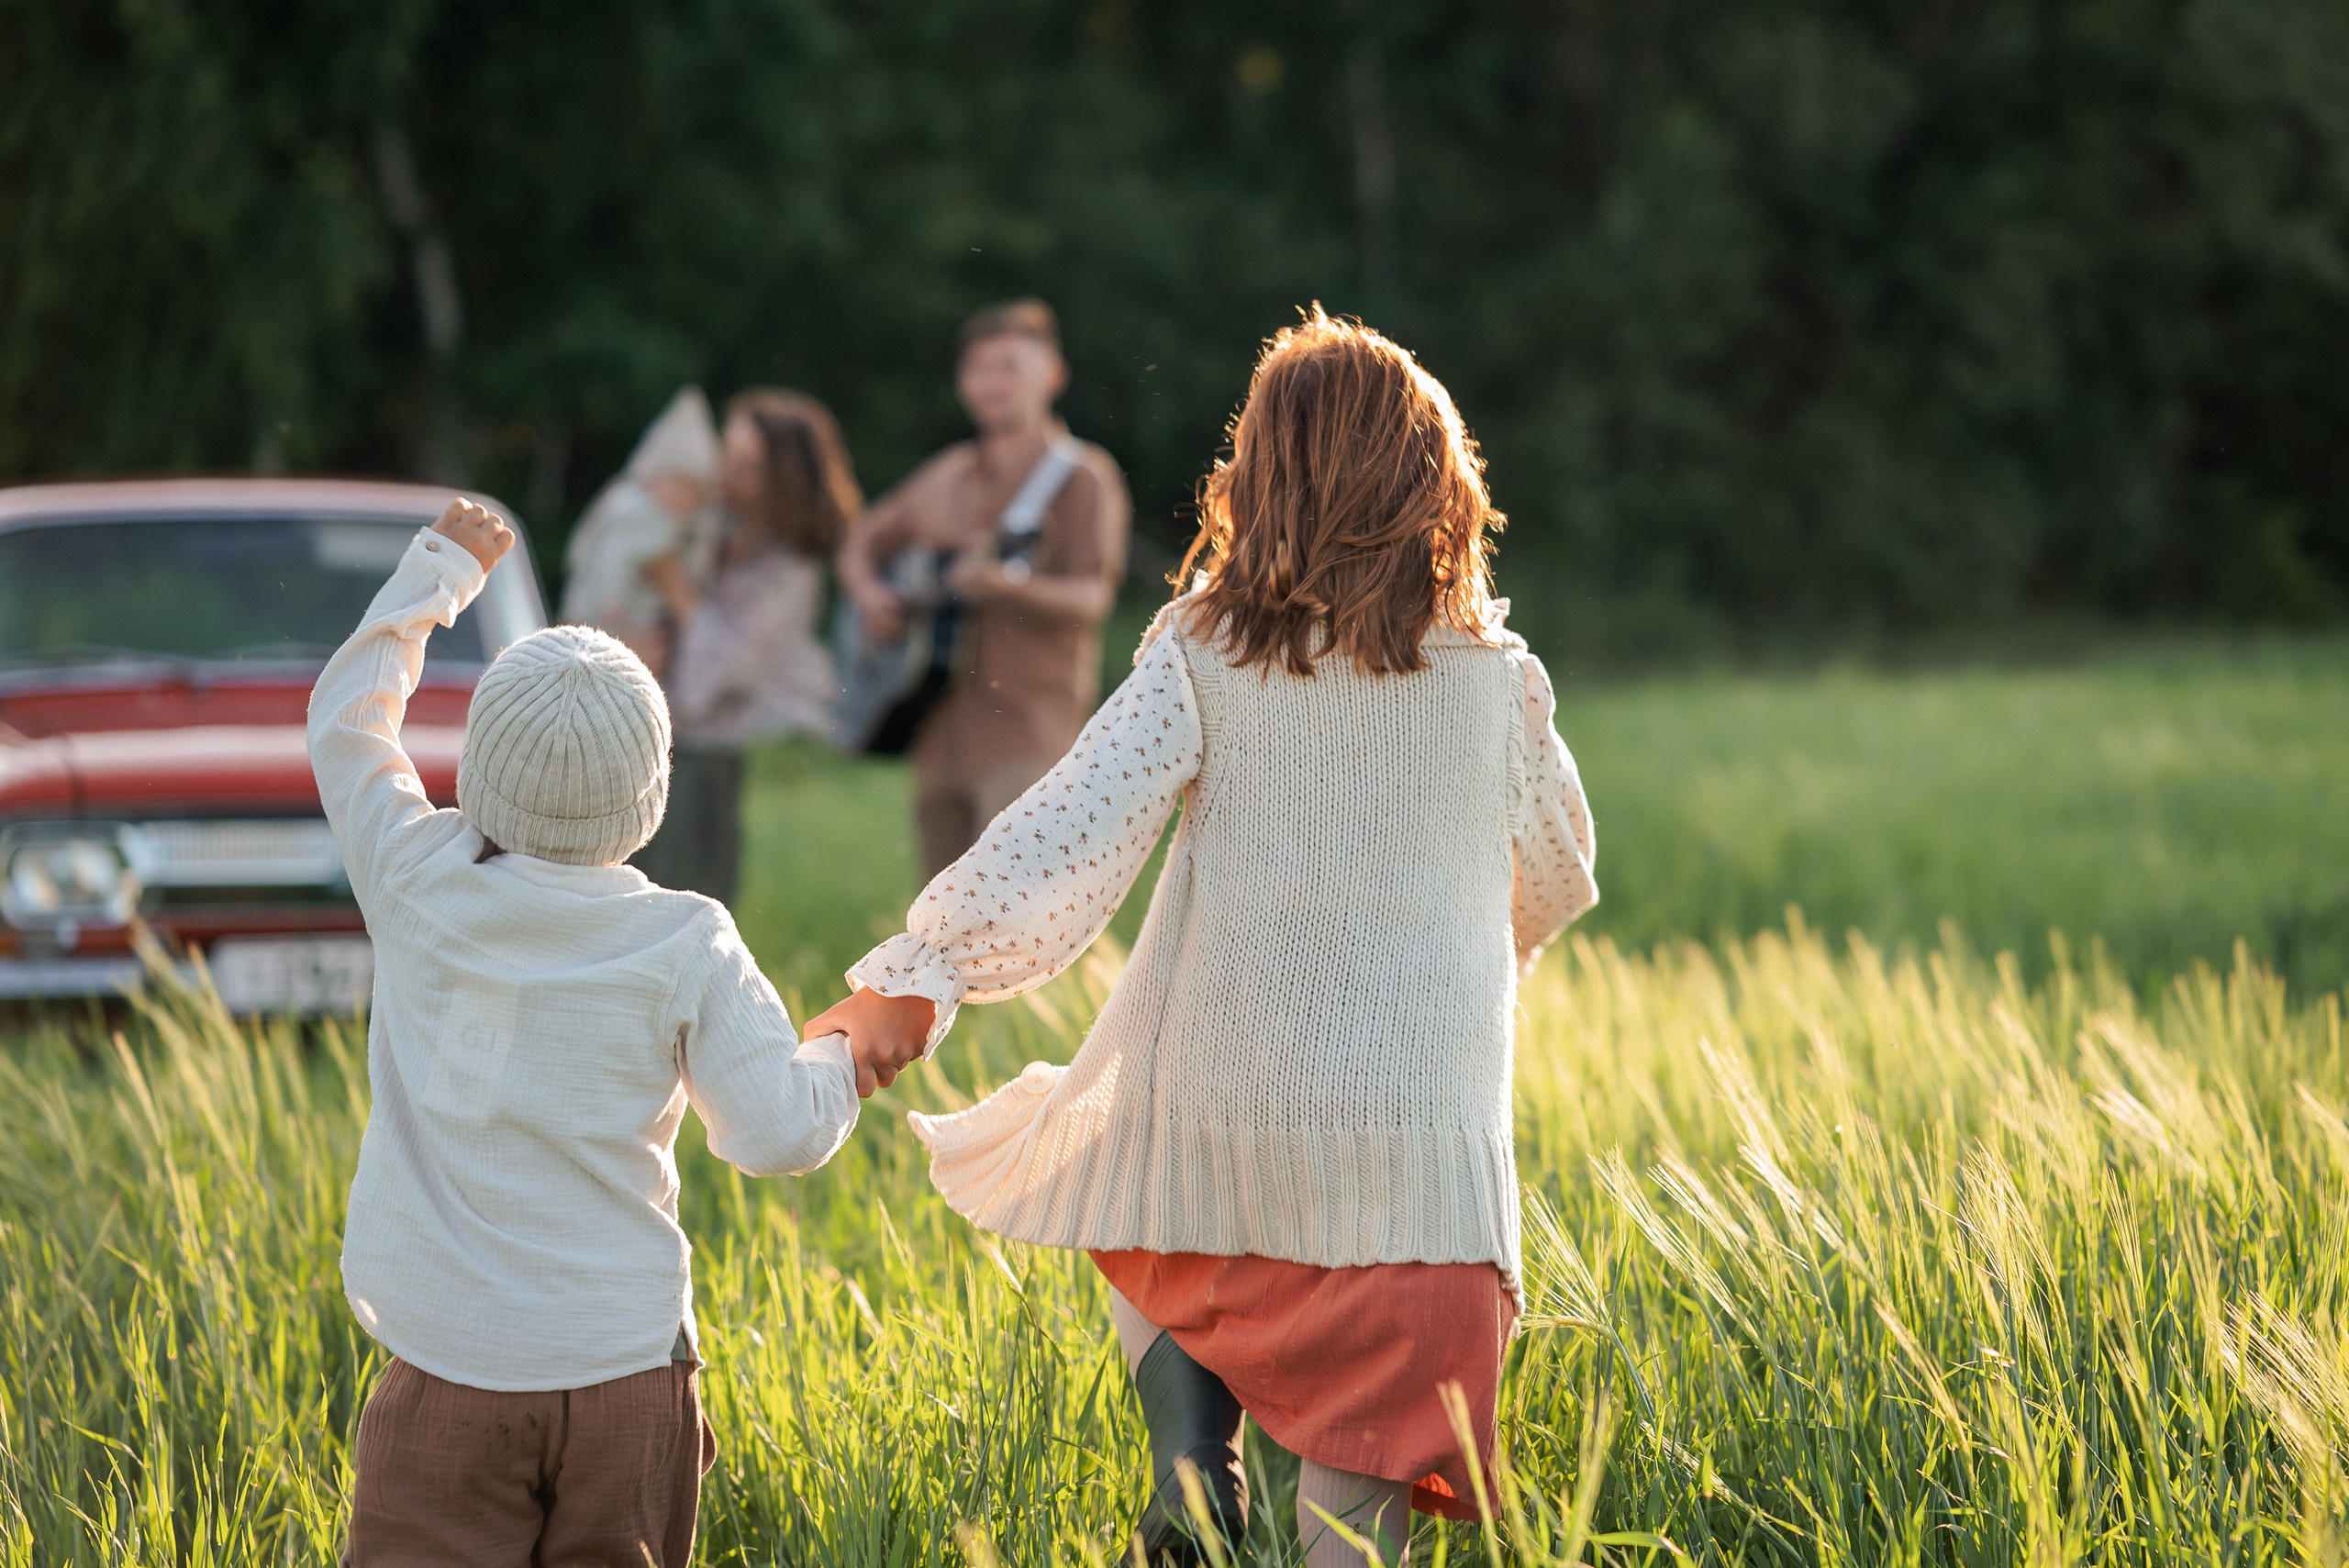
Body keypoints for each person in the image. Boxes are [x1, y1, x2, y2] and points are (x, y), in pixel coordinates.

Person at [809, 312, 1600, 1567]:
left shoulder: (1209, 654)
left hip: (1222, 1167)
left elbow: (1065, 833)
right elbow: (1560, 871)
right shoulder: (1504, 681)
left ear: (1259, 483)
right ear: (1439, 485)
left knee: (1129, 1159)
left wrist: (926, 972)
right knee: (1356, 1535)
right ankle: (1254, 1502)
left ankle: (1196, 1466)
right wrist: (1485, 950)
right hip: (1425, 1200)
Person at [309, 498, 896, 1567]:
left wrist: (441, 570)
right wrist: (845, 1053)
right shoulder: (684, 939)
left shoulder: (412, 873)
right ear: (650, 796)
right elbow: (774, 1135)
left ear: (479, 768)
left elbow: (347, 719)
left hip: (448, 1363)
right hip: (624, 1370)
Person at [835, 298, 1130, 877]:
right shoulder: (946, 473)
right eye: (977, 369)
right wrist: (870, 596)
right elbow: (859, 543)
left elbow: (1093, 599)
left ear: (1053, 376)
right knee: (939, 918)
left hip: (1028, 737)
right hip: (937, 729)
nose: (991, 384)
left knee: (1014, 919)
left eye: (1009, 368)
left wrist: (1004, 586)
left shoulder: (1082, 476)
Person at [632, 389, 856, 906]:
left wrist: (676, 588)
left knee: (674, 907)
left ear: (785, 478)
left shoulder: (790, 571)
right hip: (634, 736)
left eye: (750, 467)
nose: (729, 477)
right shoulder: (704, 525)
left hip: (697, 758)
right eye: (727, 459)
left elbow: (719, 675)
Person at [559, 386, 725, 673]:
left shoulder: (690, 524)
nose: (689, 501)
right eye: (683, 488)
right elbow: (606, 562)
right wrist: (612, 607)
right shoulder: (633, 511)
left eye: (696, 492)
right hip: (609, 614)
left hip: (646, 624)